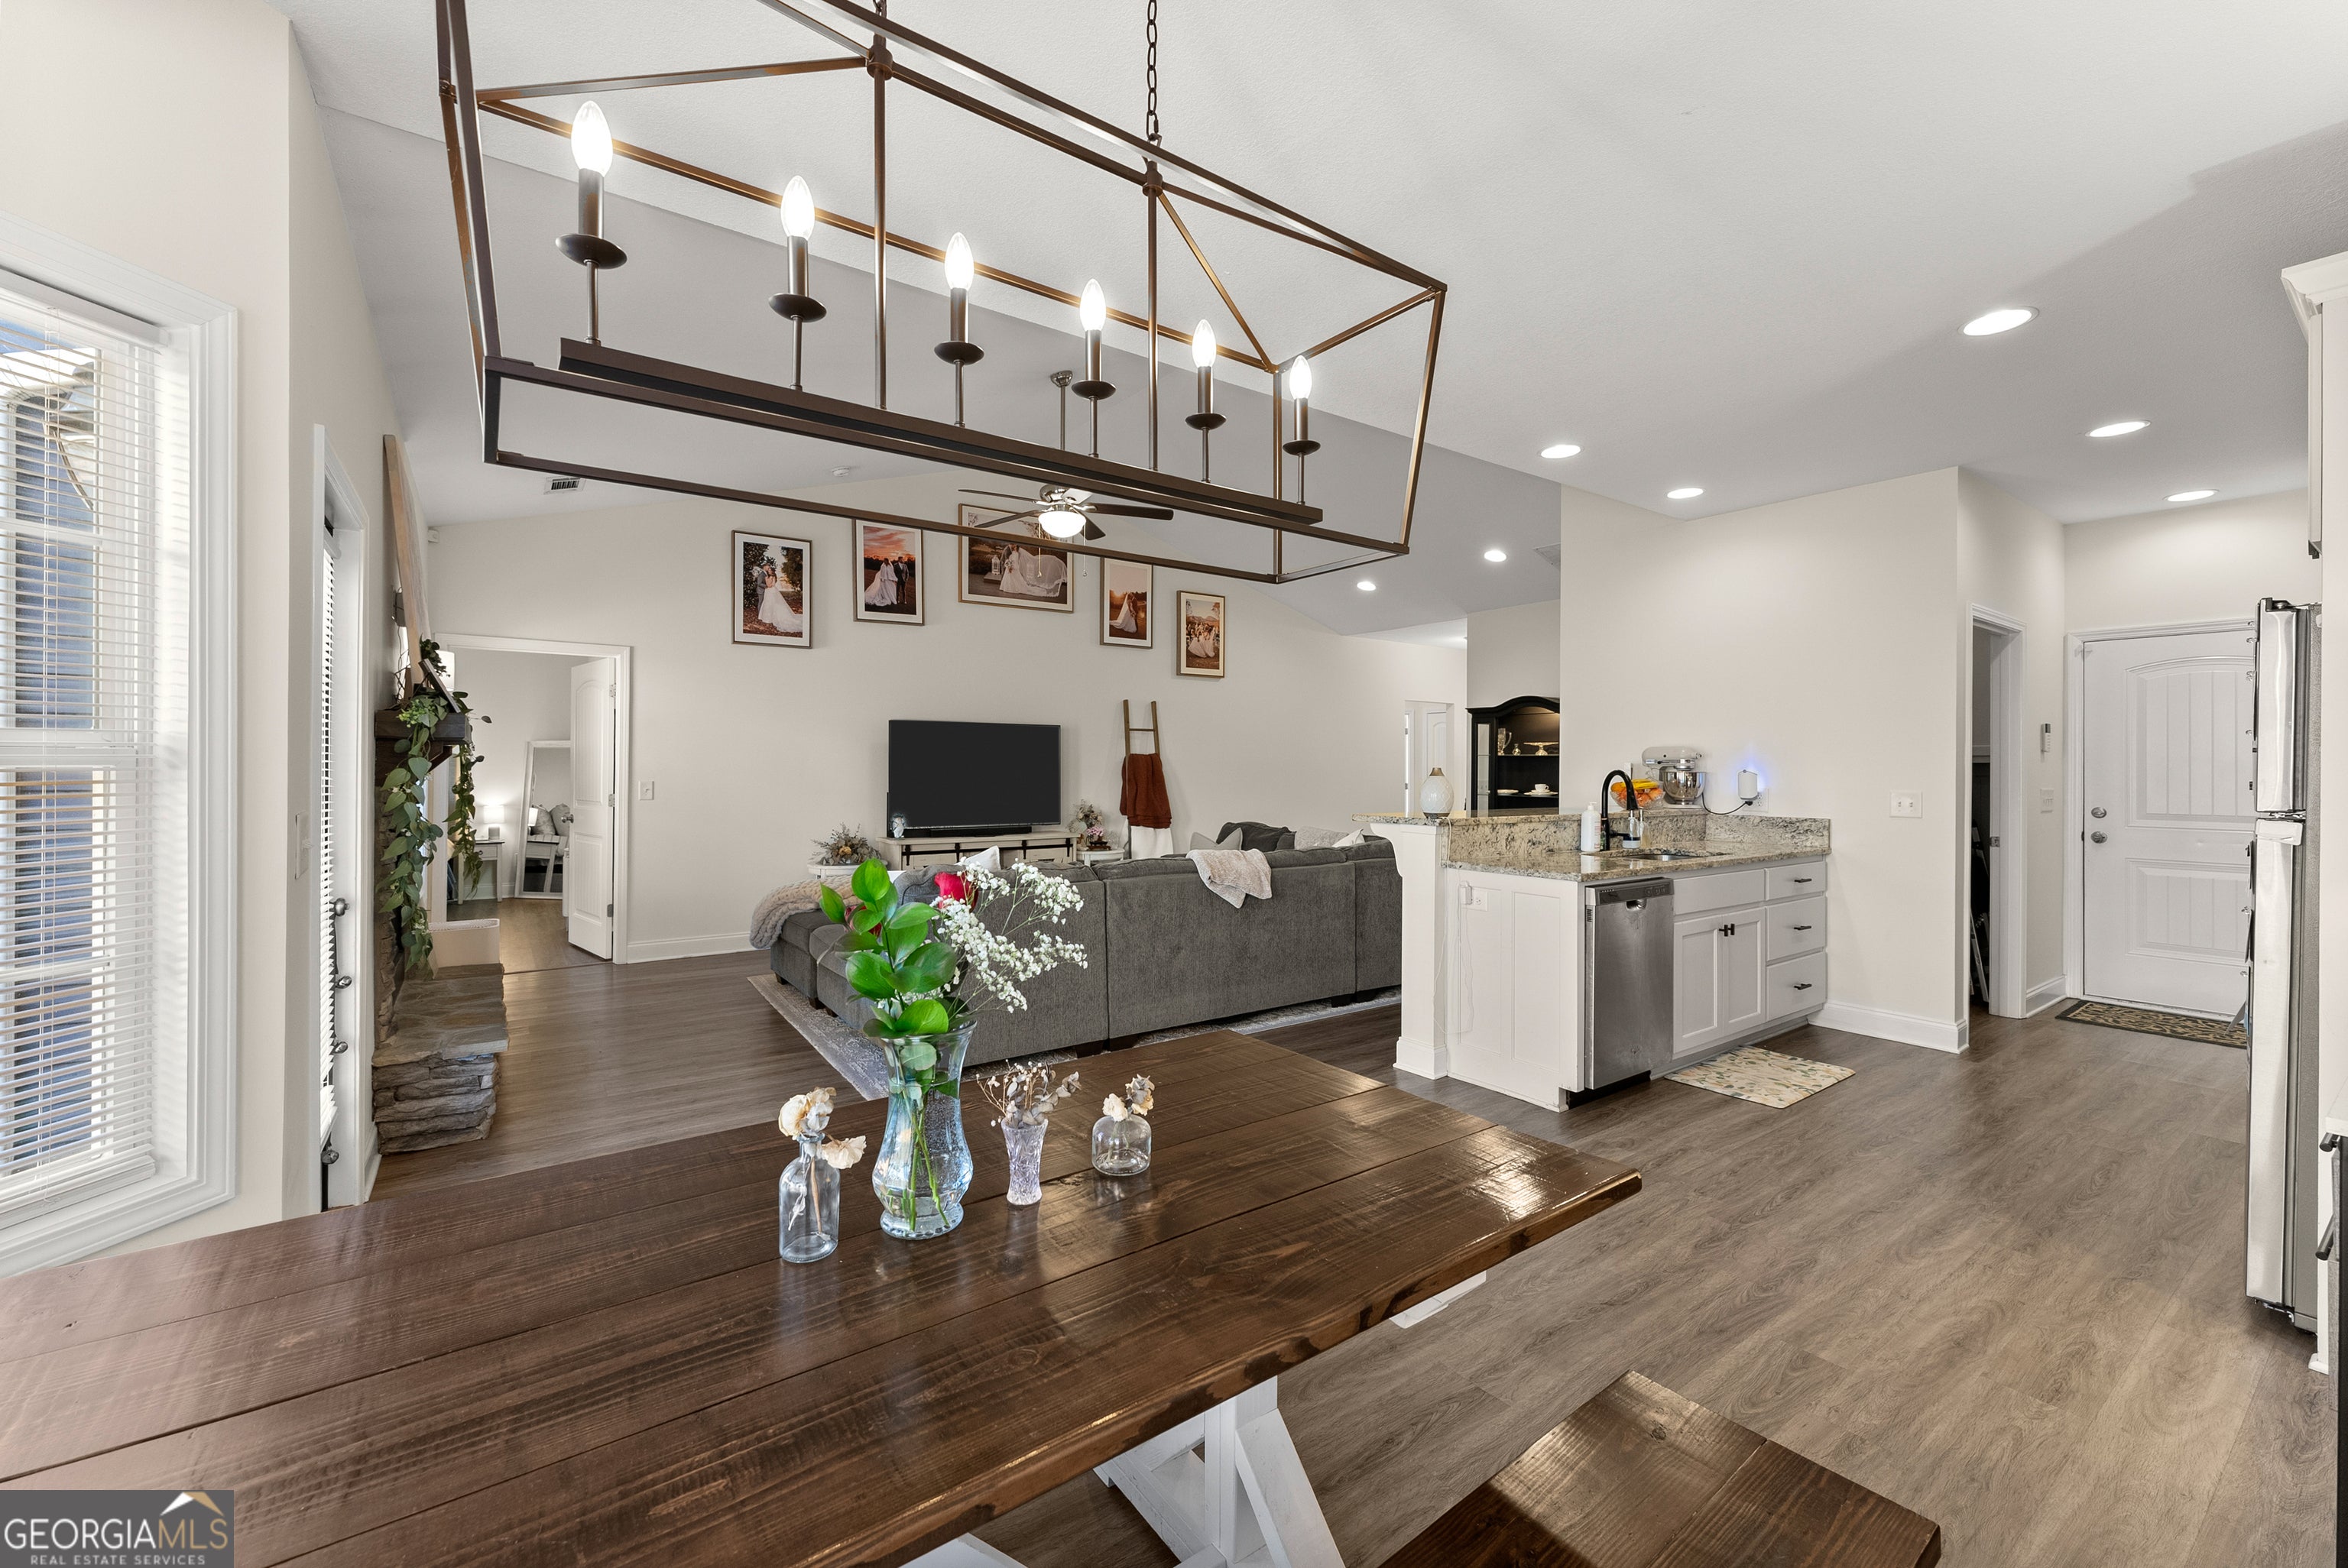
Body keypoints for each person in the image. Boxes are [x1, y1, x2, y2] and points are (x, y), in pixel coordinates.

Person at [757, 559, 800, 632]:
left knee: (772, 603)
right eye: (768, 567)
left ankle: (771, 617)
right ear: (764, 567)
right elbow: (759, 583)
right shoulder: (762, 574)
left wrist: (768, 584)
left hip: (770, 591)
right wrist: (767, 585)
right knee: (763, 603)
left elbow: (772, 584)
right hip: (764, 591)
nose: (768, 569)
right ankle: (762, 616)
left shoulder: (770, 576)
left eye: (769, 568)